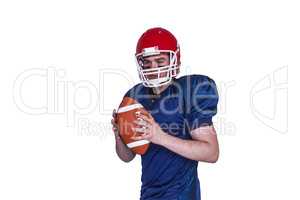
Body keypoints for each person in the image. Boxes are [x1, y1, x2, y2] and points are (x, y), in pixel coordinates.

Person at [111, 27, 219, 200]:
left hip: (181, 194)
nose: (154, 68)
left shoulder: (190, 91)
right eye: (148, 62)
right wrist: (119, 136)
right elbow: (127, 156)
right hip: (148, 194)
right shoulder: (135, 96)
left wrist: (159, 137)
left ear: (174, 61)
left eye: (160, 61)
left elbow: (211, 152)